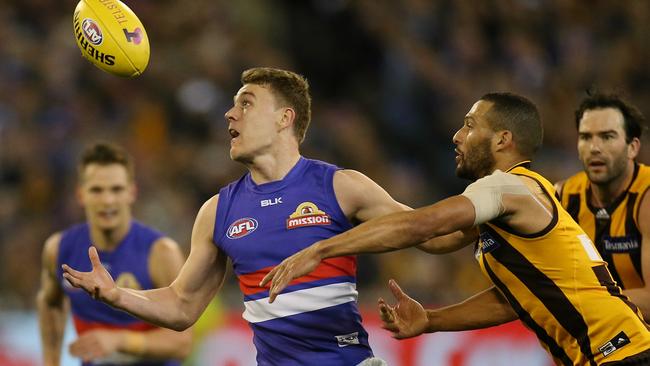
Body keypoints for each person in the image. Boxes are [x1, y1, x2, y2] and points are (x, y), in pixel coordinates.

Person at [61, 67, 426, 365]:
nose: (230, 114)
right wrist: (114, 294)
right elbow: (182, 305)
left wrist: (478, 211)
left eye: (246, 104)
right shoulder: (218, 211)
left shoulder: (340, 186)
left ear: (285, 118)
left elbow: (431, 232)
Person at [260, 92, 650, 365]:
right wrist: (432, 320)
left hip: (619, 353)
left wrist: (321, 249)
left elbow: (424, 226)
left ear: (503, 139)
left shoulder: (506, 187)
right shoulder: (526, 195)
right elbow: (502, 293)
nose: (456, 135)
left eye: (469, 125)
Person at [37, 143, 191, 366]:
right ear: (81, 195)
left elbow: (182, 343)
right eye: (96, 190)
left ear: (132, 192)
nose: (107, 200)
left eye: (116, 189)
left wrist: (119, 340)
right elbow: (50, 303)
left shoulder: (161, 253)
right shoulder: (59, 249)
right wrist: (51, 362)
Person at [555, 93, 650, 319]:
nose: (594, 148)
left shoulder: (645, 196)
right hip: (598, 344)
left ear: (632, 147)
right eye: (586, 137)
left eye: (607, 137)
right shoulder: (563, 197)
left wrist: (580, 303)